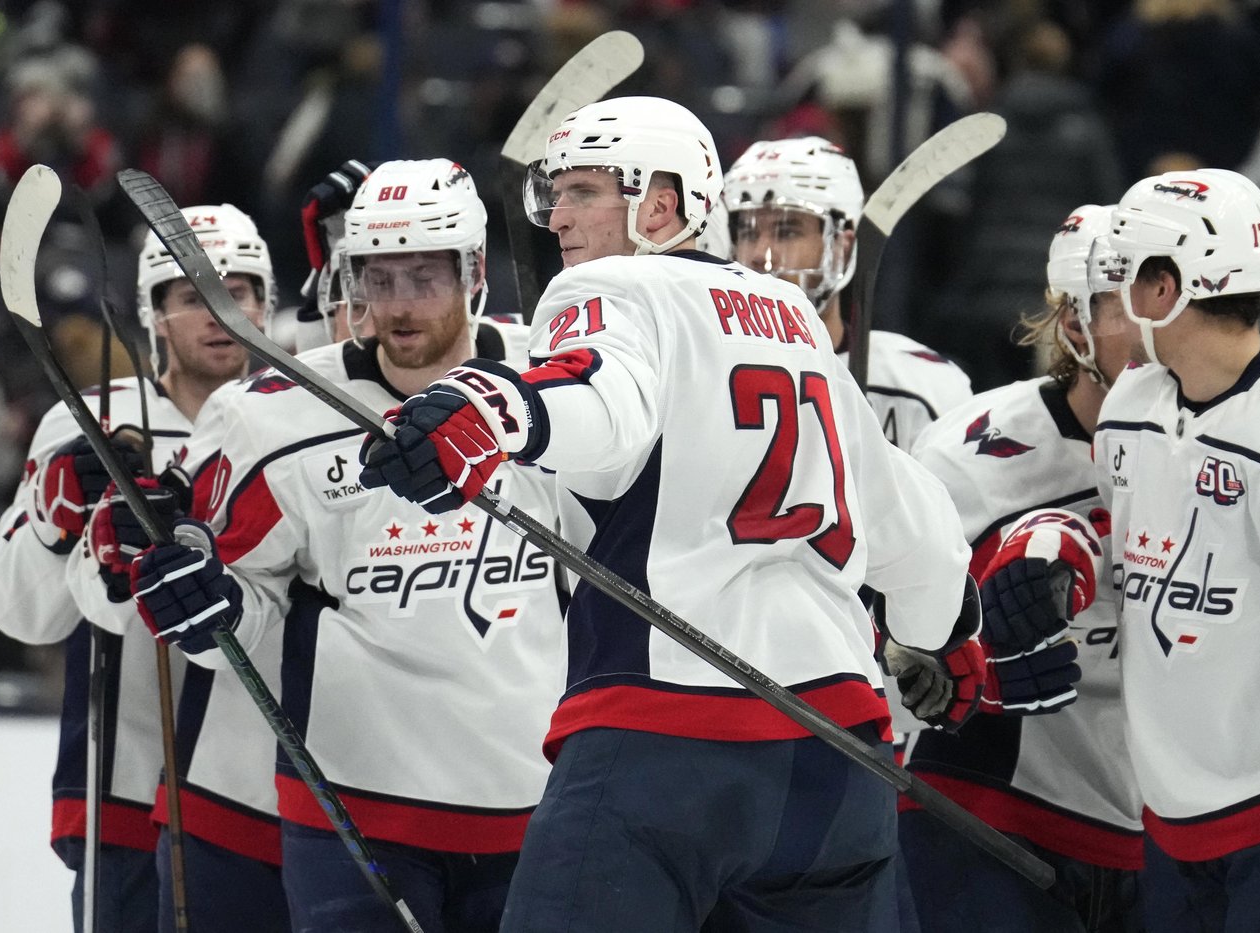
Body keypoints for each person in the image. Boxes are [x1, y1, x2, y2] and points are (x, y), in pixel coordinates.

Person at [360, 96, 984, 931]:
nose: (558, 219)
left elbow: (600, 396)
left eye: (582, 192)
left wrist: (493, 409)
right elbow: (903, 512)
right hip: (838, 758)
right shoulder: (792, 317)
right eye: (555, 195)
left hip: (668, 746)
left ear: (660, 203)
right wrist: (945, 634)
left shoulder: (609, 286)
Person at [126, 158, 569, 933]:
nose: (396, 306)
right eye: (377, 278)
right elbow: (249, 600)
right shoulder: (278, 415)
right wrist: (213, 608)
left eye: (423, 277)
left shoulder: (552, 390)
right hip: (353, 808)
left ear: (474, 272)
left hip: (535, 798)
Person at [0, 204, 276, 932]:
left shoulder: (293, 426)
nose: (218, 311)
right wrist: (55, 518)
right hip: (125, 790)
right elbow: (16, 610)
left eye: (236, 290)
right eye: (190, 295)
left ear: (266, 306)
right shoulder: (88, 423)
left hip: (267, 798)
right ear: (155, 316)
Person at [897, 205, 1146, 931]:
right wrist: (946, 667)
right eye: (1139, 302)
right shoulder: (967, 454)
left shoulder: (1234, 444)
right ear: (1075, 321)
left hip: (1181, 829)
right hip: (991, 820)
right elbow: (880, 641)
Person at [1087, 168, 1260, 932]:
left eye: (1125, 279)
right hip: (1164, 810)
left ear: (1168, 289)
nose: (1110, 306)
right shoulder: (1130, 407)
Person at [722, 135, 972, 453]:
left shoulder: (919, 388)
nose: (759, 253)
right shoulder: (701, 371)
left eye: (786, 232)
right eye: (747, 232)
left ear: (842, 246)